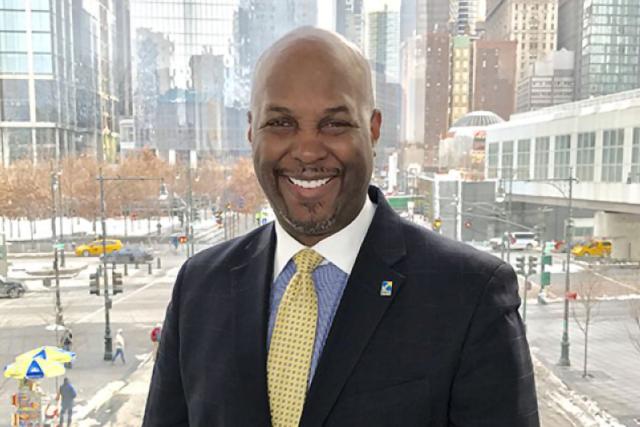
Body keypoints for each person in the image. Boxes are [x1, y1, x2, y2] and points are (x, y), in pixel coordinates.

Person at [143, 27, 538, 426]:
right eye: (281, 123)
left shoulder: (470, 296)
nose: (308, 150)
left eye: (334, 125)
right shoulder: (199, 286)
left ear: (373, 128)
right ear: (251, 130)